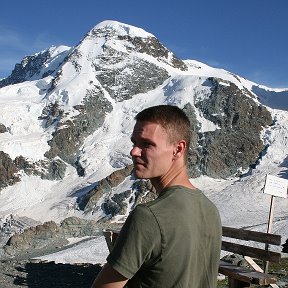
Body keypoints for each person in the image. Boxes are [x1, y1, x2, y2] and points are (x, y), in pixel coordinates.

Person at [91, 105, 222, 288]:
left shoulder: (148, 216)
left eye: (146, 144)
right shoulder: (210, 210)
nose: (134, 152)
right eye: (134, 143)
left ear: (178, 149)